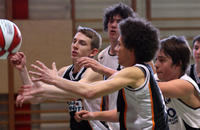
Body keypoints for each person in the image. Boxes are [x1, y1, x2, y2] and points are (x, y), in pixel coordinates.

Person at [29, 17, 169, 130]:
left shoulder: (136, 71)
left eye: (120, 45)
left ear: (132, 49)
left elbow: (90, 92)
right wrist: (93, 115)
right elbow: (122, 114)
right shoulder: (131, 73)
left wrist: (54, 79)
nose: (116, 48)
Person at [10, 26, 110, 130]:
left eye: (82, 43)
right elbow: (36, 98)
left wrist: (46, 86)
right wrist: (22, 69)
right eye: (74, 41)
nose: (75, 46)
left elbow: (78, 92)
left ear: (93, 52)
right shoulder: (64, 72)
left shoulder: (94, 71)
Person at [77, 3, 136, 129]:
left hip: (134, 121)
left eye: (119, 22)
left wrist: (101, 69)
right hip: (112, 121)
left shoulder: (136, 55)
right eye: (111, 21)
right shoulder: (103, 55)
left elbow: (149, 84)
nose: (113, 25)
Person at [154, 36, 200, 129]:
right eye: (156, 59)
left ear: (178, 64)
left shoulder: (185, 85)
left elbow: (145, 84)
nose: (156, 64)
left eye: (162, 60)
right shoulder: (159, 79)